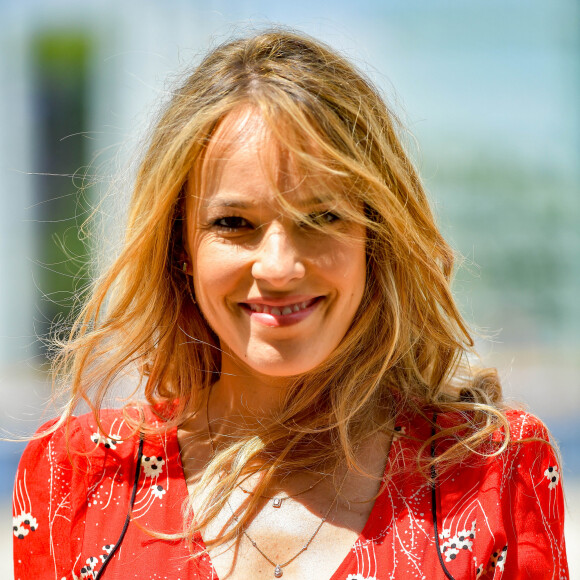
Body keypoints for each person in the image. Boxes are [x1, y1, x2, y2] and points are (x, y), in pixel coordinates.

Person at [13, 30, 567, 580]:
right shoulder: (76, 475)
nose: (278, 267)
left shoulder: (493, 471)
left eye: (321, 217)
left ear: (377, 239)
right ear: (180, 247)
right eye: (234, 224)